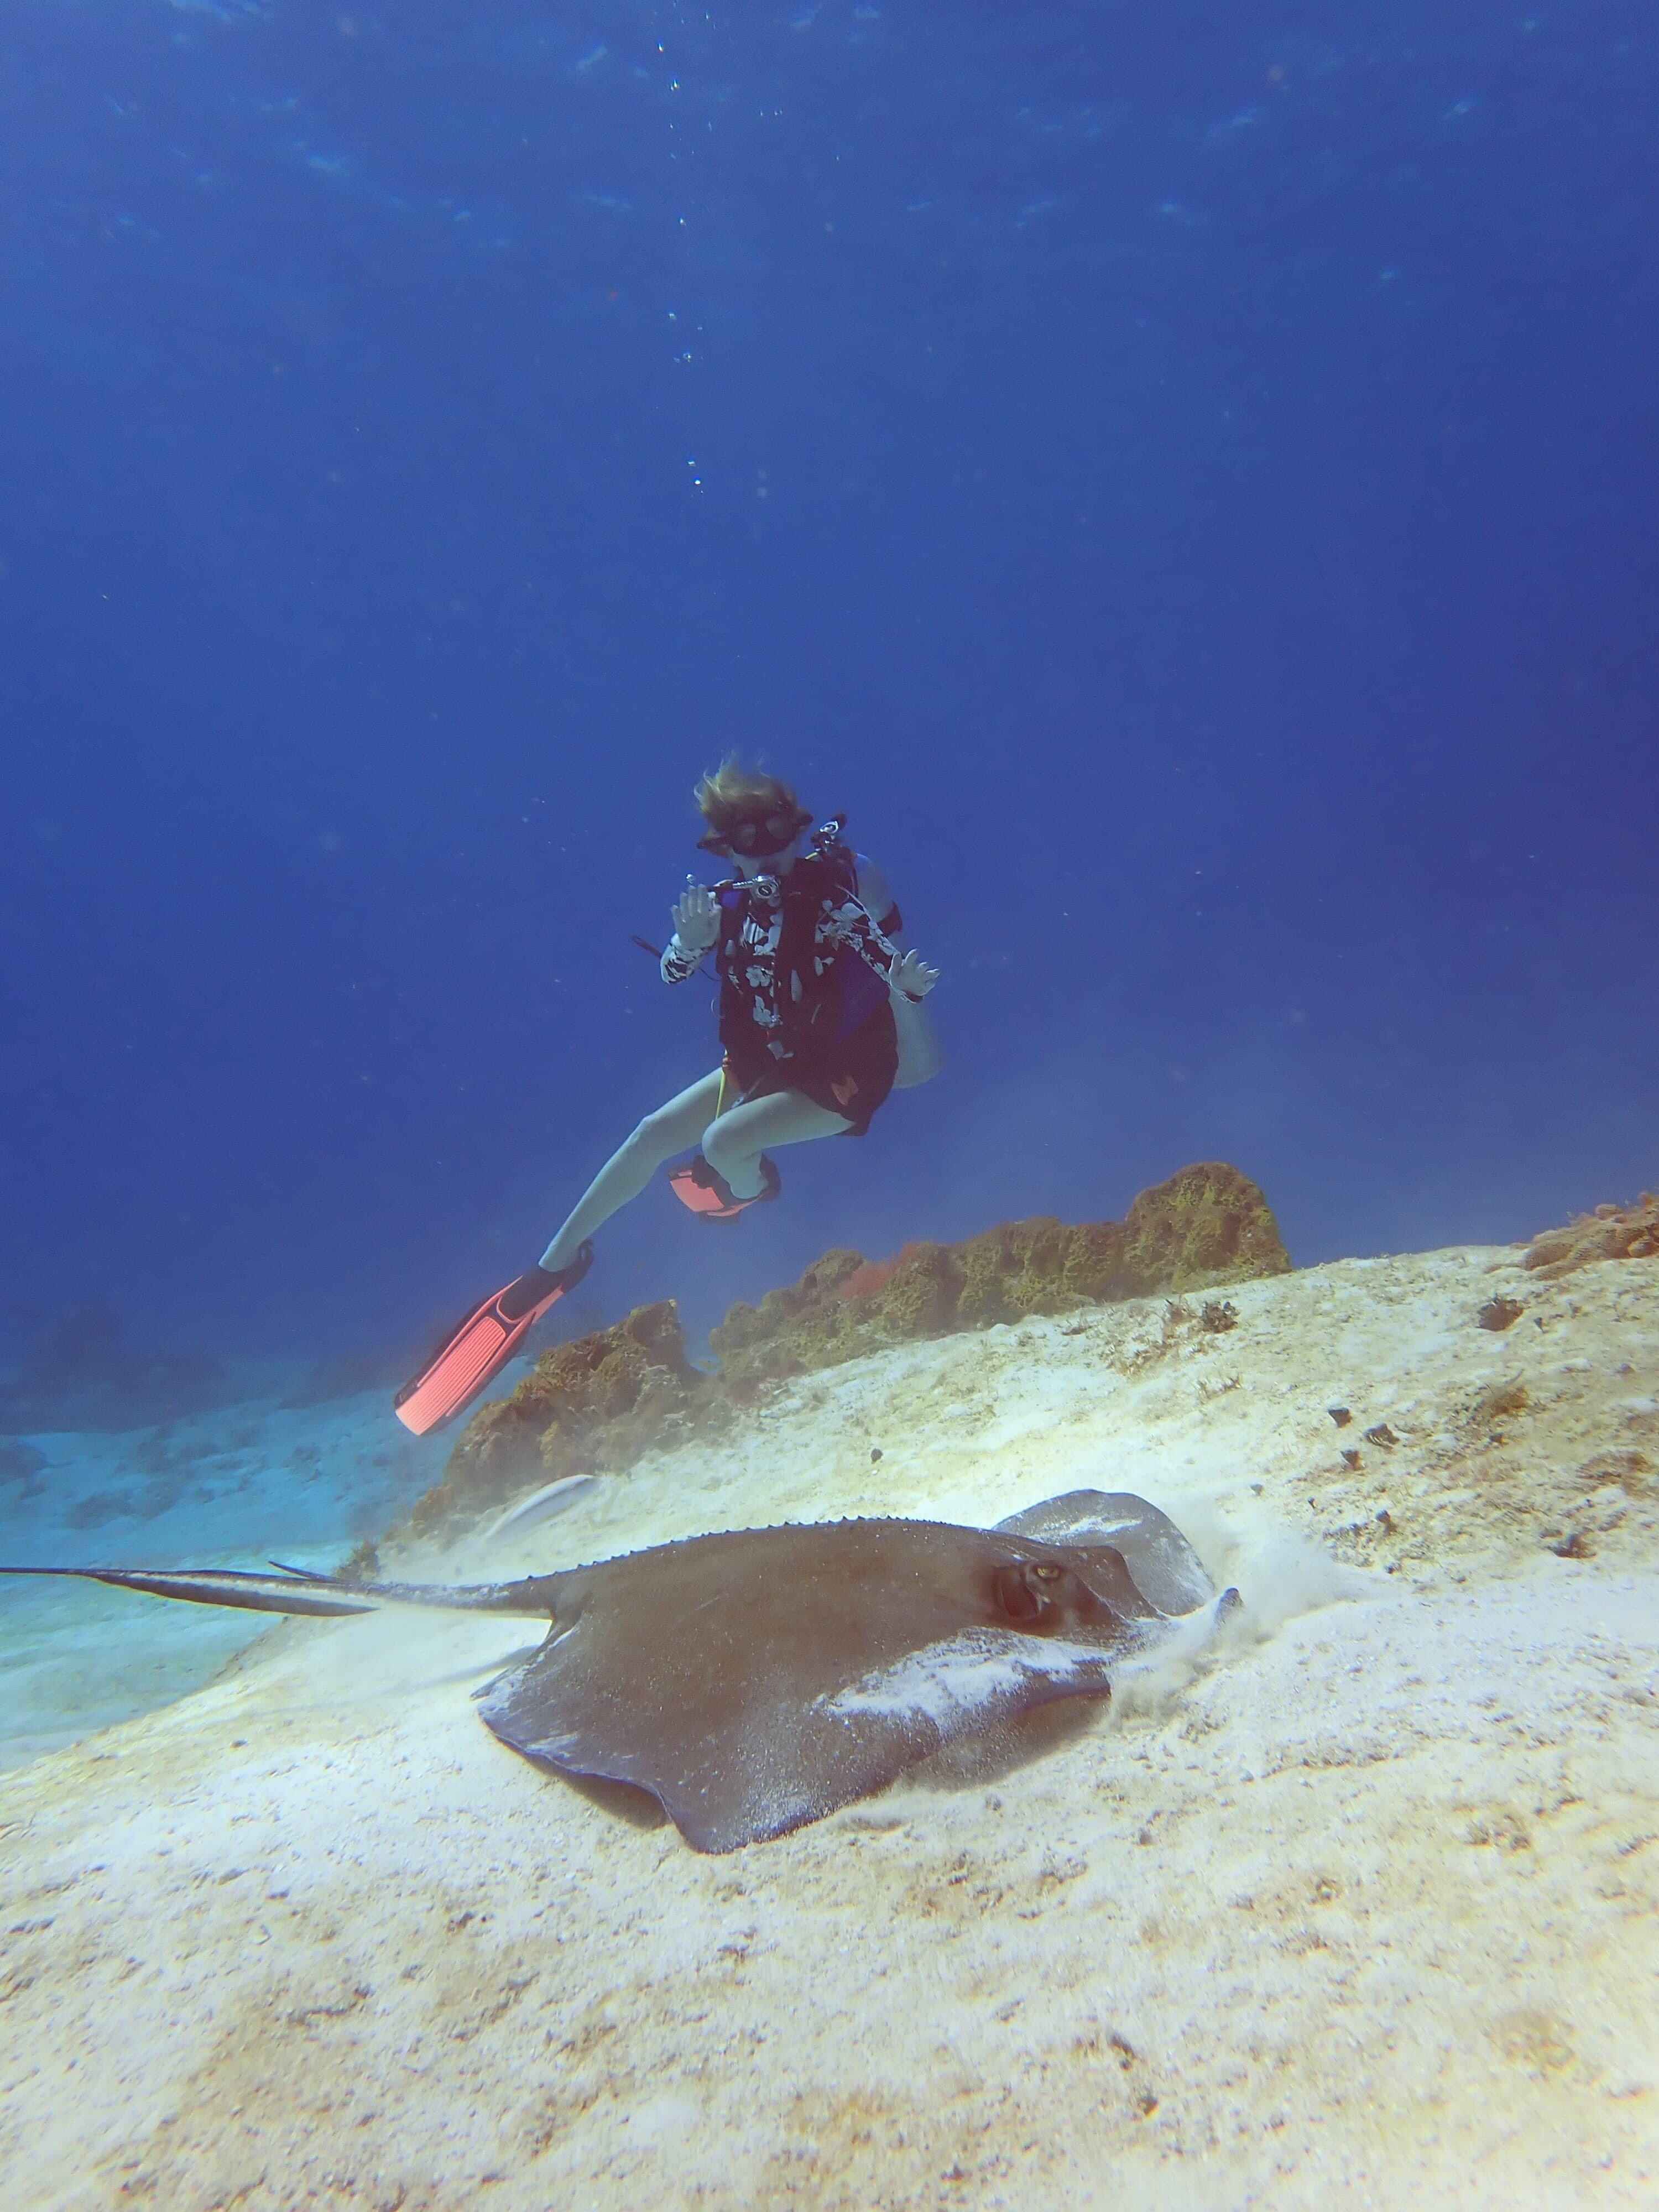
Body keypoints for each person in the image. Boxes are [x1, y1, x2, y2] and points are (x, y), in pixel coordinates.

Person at [393, 760, 941, 1435]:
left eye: (778, 834)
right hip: (769, 1060)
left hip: (848, 1070)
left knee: (722, 1141)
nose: (767, 851)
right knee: (652, 1132)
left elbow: (899, 972)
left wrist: (917, 1061)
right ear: (725, 849)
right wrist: (690, 943)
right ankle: (551, 1268)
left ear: (799, 831)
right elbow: (674, 971)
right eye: (748, 841)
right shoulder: (722, 907)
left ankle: (750, 1189)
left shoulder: (850, 883)